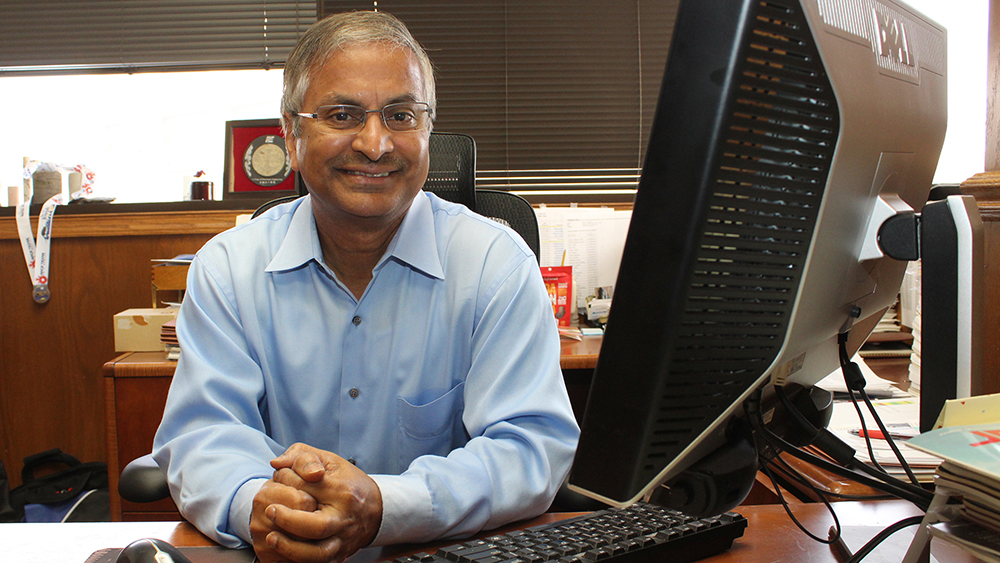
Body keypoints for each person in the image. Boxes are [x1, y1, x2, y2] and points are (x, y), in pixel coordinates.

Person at [151, 10, 580, 563]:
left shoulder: (495, 265)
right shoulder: (228, 269)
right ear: (291, 130)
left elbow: (529, 449)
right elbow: (204, 434)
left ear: (428, 128)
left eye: (401, 115)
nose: (375, 144)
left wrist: (383, 503)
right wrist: (258, 504)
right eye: (343, 114)